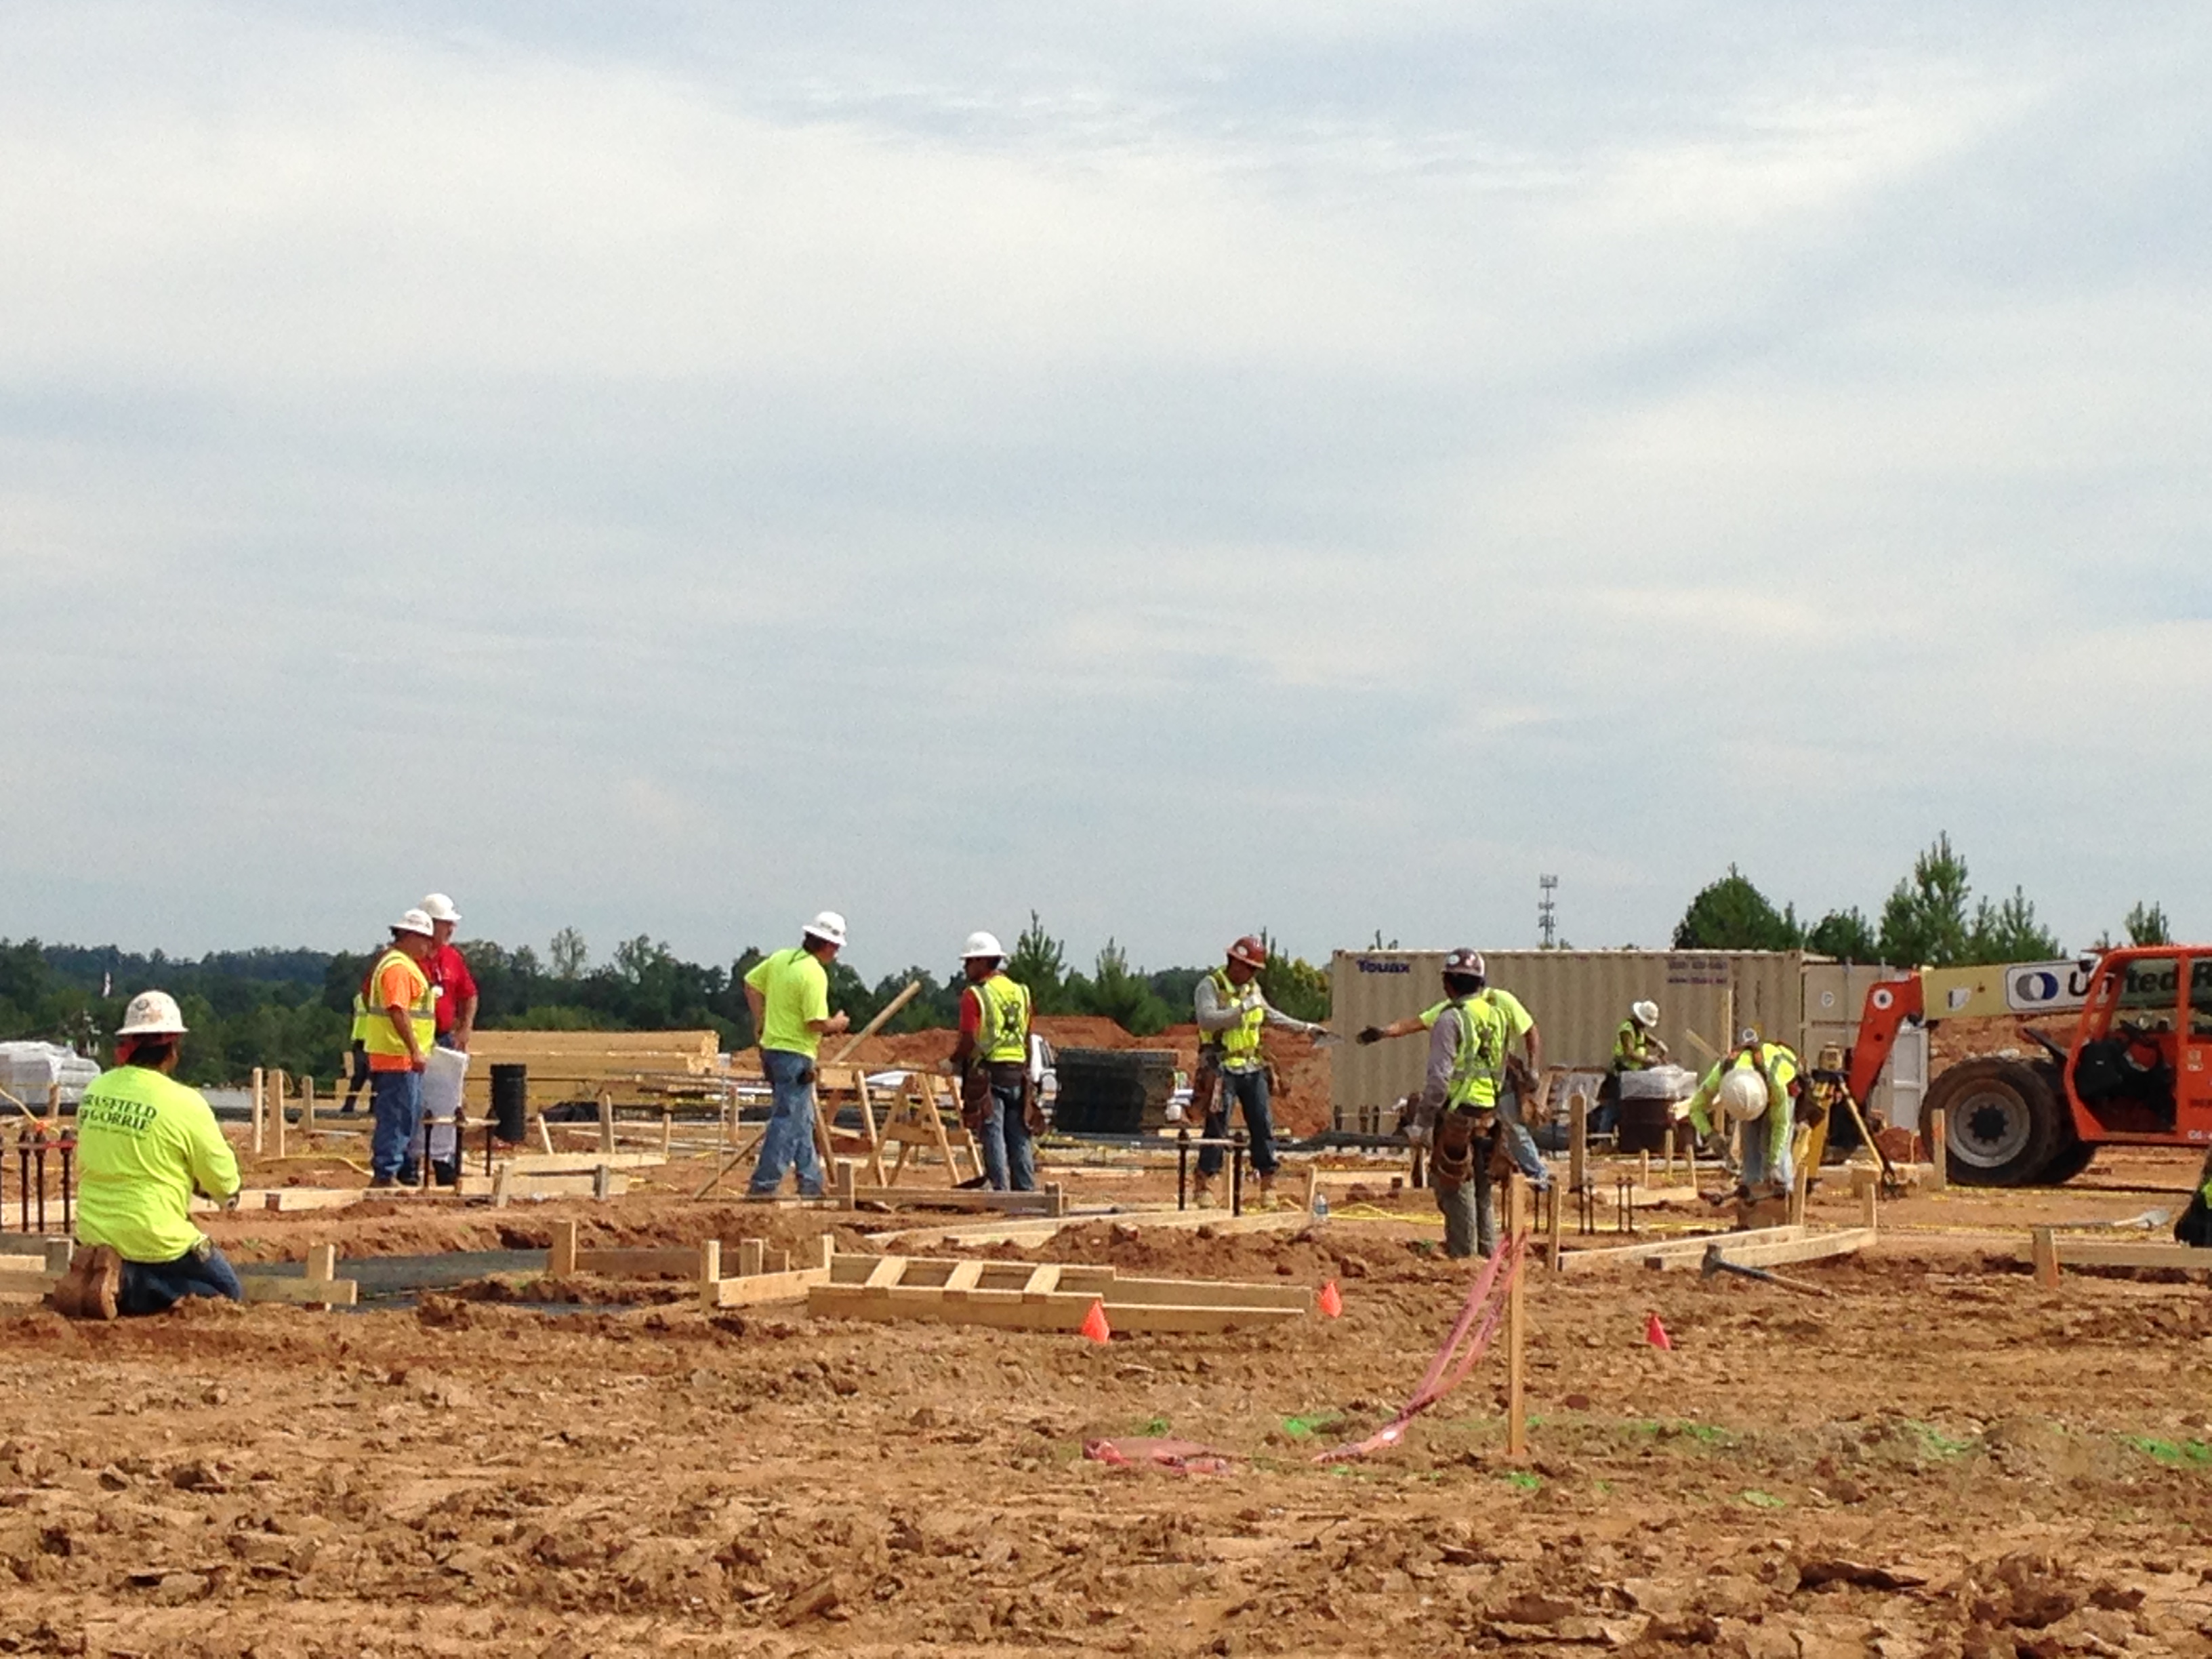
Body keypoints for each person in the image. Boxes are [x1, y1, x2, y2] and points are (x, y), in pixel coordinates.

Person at [53, 991, 243, 1319]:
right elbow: (224, 1183)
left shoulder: (96, 1090)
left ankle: (106, 1278)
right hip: (155, 1238)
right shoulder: (185, 1102)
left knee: (156, 1266)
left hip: (94, 1233)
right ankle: (125, 1283)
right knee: (226, 1293)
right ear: (172, 1050)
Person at [1355, 953, 1547, 1190]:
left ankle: (1539, 1177)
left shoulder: (1500, 1001)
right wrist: (1383, 1032)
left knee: (1514, 1131)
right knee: (1471, 1141)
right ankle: (1482, 1180)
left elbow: (1530, 1031)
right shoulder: (1454, 1010)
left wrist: (1533, 1069)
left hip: (1498, 1083)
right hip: (1468, 1093)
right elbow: (1416, 1023)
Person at [1404, 949, 1545, 1257]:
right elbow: (1527, 1036)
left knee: (1454, 1188)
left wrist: (1423, 1123)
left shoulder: (1451, 1018)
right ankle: (1486, 1255)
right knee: (1482, 1189)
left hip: (1458, 1115)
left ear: (1447, 984)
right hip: (1489, 1116)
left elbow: (1439, 1079)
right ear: (1482, 982)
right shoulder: (1495, 1014)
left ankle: (1464, 1258)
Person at [1191, 935, 1328, 1208]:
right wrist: (1240, 1010)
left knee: (1263, 1125)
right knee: (1217, 1124)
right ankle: (1206, 1181)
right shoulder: (1211, 986)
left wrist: (1305, 1027)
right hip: (1222, 1066)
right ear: (1235, 963)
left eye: (1255, 969)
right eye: (1249, 967)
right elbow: (1207, 1018)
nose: (1251, 973)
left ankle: (1268, 1183)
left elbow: (1269, 1015)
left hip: (1252, 1066)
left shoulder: (1252, 989)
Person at [743, 912, 851, 1198]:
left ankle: (811, 1183)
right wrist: (837, 1024)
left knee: (801, 1119)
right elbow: (815, 1023)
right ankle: (763, 1186)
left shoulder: (782, 959)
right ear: (827, 945)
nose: (837, 953)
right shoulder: (814, 973)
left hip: (772, 1050)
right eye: (836, 947)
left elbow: (751, 984)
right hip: (796, 1054)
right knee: (787, 1119)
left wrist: (760, 1021)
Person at [947, 932, 1036, 1191]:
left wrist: (953, 1061)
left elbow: (969, 1038)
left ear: (983, 961)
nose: (965, 968)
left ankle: (1000, 1190)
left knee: (992, 1133)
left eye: (969, 962)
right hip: (1017, 1072)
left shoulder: (975, 995)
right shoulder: (1022, 992)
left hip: (989, 1074)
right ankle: (1026, 1191)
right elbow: (1027, 1035)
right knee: (1020, 1135)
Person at [1683, 1028, 1803, 1205]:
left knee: (1777, 1150)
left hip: (1785, 1088)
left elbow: (1780, 1126)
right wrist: (1712, 1136)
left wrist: (1773, 1164)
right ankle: (1752, 1202)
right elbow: (1696, 1109)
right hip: (1755, 1091)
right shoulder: (1723, 1072)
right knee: (1751, 1148)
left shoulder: (1775, 1083)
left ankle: (1783, 1199)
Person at [363, 909, 439, 1189]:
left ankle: (389, 1171)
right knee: (397, 1115)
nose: (428, 947)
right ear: (410, 936)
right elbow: (398, 1010)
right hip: (397, 1056)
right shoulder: (398, 968)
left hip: (399, 1056)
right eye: (425, 940)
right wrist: (415, 1049)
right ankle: (385, 1174)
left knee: (404, 1113)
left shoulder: (400, 964)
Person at [1595, 1000, 1668, 1134]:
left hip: (1631, 1075)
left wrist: (1658, 1044)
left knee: (1628, 1108)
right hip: (1620, 1075)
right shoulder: (1627, 1030)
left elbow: (1645, 1038)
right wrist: (1648, 1059)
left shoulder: (1638, 1029)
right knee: (1614, 1108)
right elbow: (1629, 1052)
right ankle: (1602, 1137)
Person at [421, 893, 478, 1052]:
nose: (452, 929)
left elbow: (469, 995)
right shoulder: (408, 959)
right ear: (430, 925)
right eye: (447, 924)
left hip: (444, 1039)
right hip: (414, 1040)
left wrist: (465, 1029)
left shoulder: (452, 957)